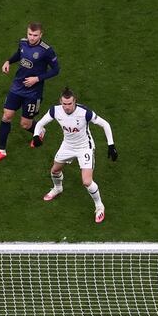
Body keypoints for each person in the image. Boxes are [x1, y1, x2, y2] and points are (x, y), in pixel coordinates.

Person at [31, 87, 118, 224]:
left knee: (87, 181)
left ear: (74, 101)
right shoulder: (55, 110)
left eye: (69, 104)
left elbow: (105, 124)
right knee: (54, 170)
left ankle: (99, 206)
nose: (67, 107)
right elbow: (40, 123)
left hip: (84, 148)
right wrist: (36, 135)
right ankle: (58, 188)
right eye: (64, 104)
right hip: (67, 145)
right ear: (61, 101)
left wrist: (111, 145)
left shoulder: (84, 113)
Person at [0, 23, 59, 163]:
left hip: (33, 93)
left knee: (25, 124)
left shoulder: (47, 50)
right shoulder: (23, 42)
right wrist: (8, 61)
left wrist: (37, 79)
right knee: (7, 116)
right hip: (17, 87)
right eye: (29, 34)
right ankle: (1, 150)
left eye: (35, 35)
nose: (31, 38)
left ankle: (40, 130)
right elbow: (19, 54)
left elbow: (56, 70)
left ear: (41, 35)